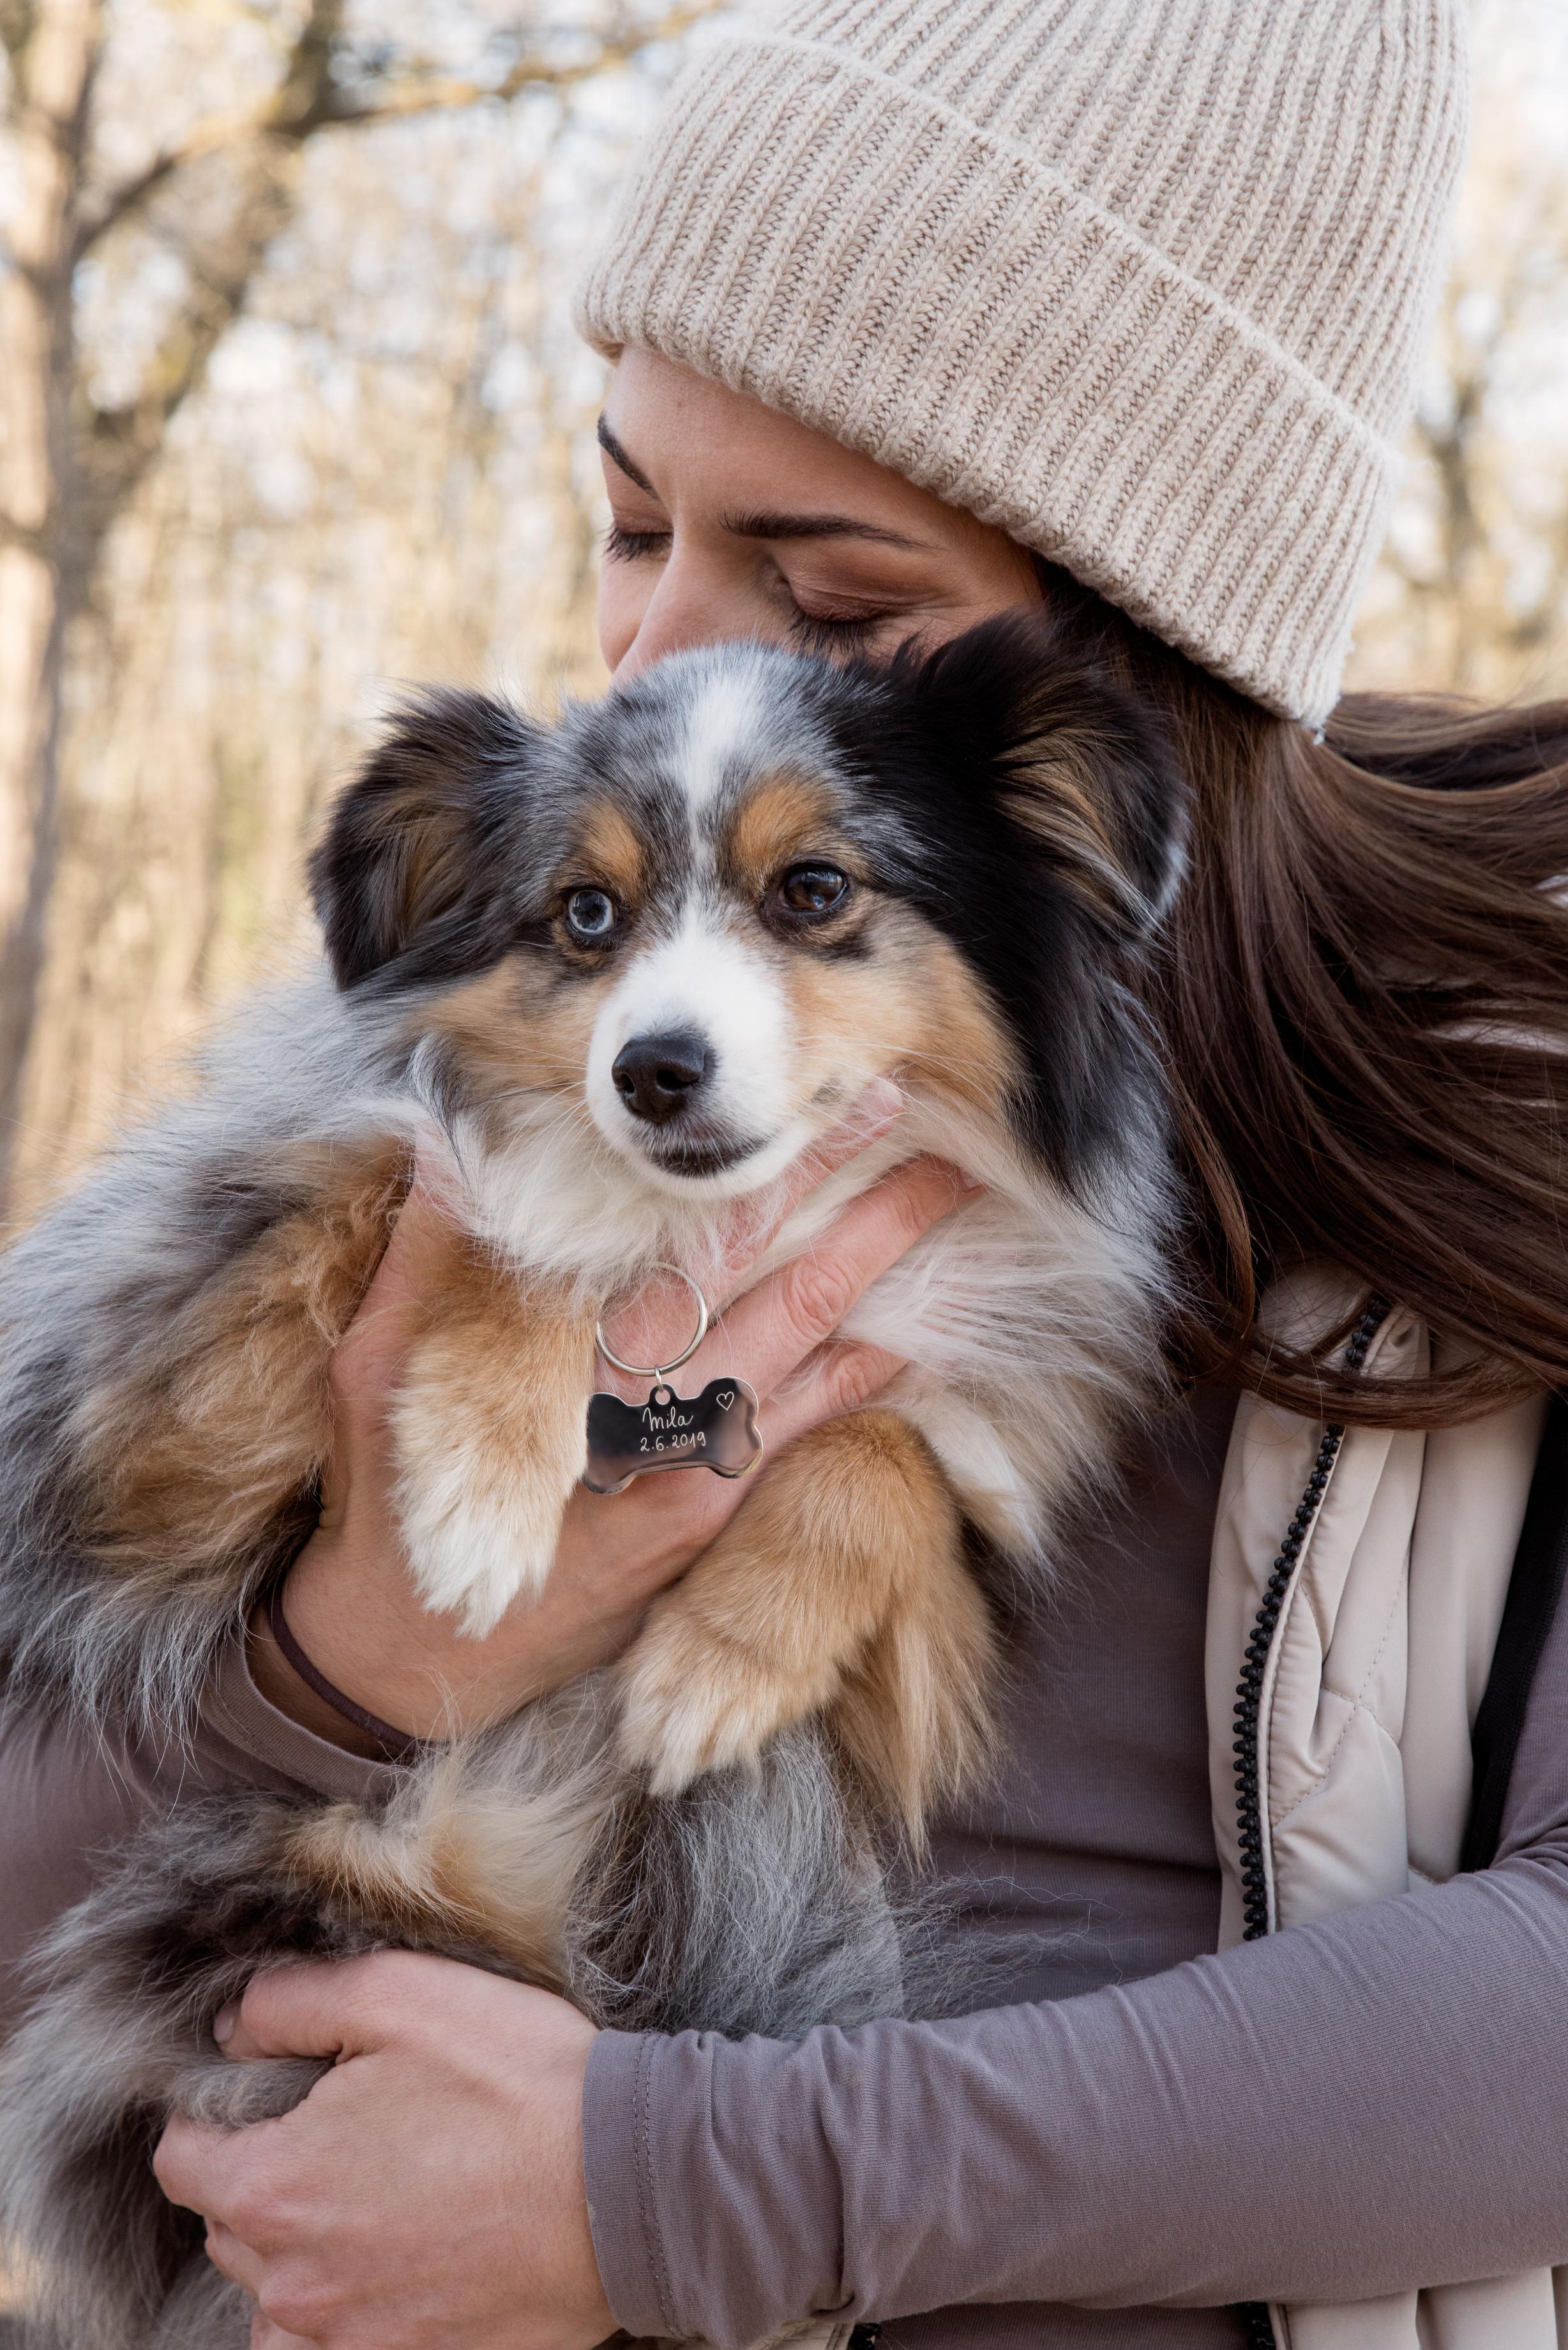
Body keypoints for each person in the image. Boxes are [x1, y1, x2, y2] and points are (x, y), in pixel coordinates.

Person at [9, 0, 1568, 2344]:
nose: (647, 659)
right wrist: (351, 1664)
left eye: (834, 603)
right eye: (626, 519)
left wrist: (673, 2192)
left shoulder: (1502, 1113)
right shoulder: (473, 1070)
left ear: (1142, 672)